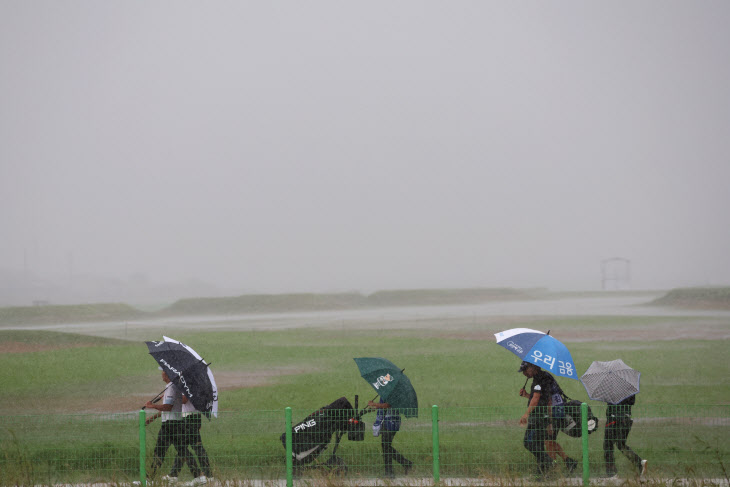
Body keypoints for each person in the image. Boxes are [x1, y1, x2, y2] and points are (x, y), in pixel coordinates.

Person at [144, 368, 193, 482]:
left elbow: (167, 407)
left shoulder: (172, 388)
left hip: (172, 425)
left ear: (167, 374)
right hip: (170, 424)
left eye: (163, 371)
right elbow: (167, 408)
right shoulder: (170, 388)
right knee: (163, 451)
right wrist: (153, 418)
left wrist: (153, 406)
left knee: (177, 451)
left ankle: (198, 475)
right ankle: (150, 478)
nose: (161, 373)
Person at [518, 360, 560, 478]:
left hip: (538, 418)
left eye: (525, 370)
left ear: (532, 368)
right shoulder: (543, 377)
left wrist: (526, 414)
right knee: (538, 445)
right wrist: (526, 395)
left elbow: (536, 399)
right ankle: (541, 474)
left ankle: (548, 462)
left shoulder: (539, 380)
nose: (524, 373)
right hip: (543, 417)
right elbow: (542, 398)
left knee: (528, 442)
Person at [169, 394, 214, 485]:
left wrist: (171, 398)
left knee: (195, 447)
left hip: (190, 417)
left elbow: (184, 400)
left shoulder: (188, 382)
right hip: (192, 416)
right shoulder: (193, 383)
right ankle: (173, 475)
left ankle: (207, 475)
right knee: (183, 448)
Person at [603, 394, 648, 478]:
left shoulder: (613, 389)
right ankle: (640, 463)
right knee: (621, 444)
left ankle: (611, 473)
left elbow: (611, 401)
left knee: (607, 445)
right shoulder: (628, 388)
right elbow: (631, 402)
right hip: (626, 419)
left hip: (614, 419)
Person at [368, 398, 413, 478]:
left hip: (390, 422)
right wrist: (377, 408)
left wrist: (375, 404)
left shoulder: (391, 392)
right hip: (388, 421)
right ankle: (405, 464)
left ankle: (390, 472)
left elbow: (387, 405)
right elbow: (385, 406)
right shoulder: (388, 391)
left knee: (385, 446)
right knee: (386, 446)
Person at [543, 377, 578, 475]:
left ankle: (554, 469)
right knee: (550, 441)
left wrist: (549, 422)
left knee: (549, 442)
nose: (524, 373)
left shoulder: (543, 379)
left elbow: (548, 401)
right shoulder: (547, 377)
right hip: (558, 411)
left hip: (554, 413)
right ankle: (568, 461)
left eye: (525, 370)